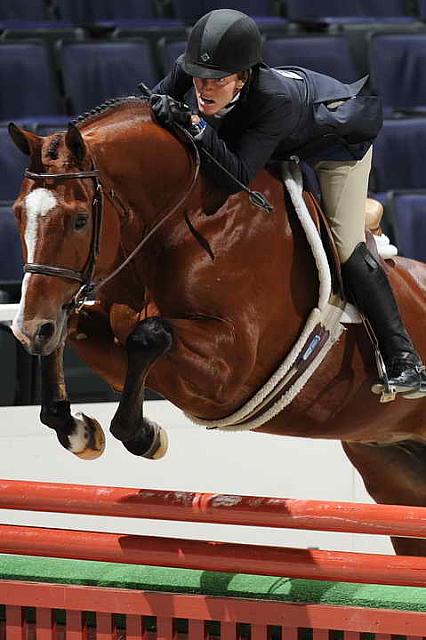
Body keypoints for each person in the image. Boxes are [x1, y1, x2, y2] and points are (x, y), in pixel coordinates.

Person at [148, 8, 426, 398]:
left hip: (336, 146)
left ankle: (404, 358)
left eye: (217, 81)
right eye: (198, 76)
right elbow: (148, 104)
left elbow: (235, 177)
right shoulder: (192, 71)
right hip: (275, 143)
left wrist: (193, 125)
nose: (203, 89)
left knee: (345, 245)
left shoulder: (273, 99)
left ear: (243, 78)